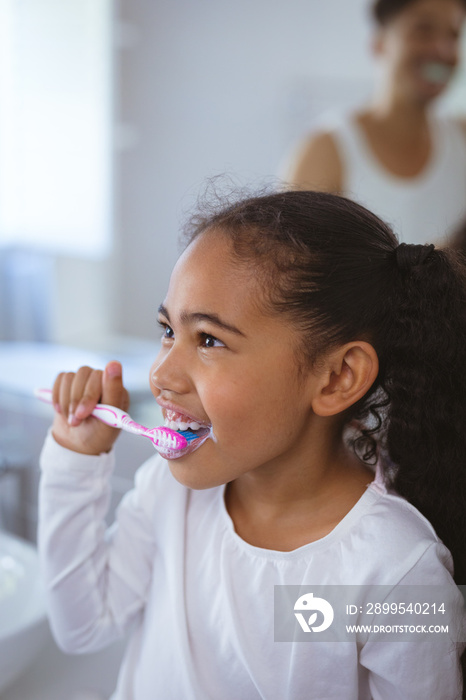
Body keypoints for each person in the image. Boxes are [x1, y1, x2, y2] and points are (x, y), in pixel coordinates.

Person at [38, 190, 466, 699]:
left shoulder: (400, 573)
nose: (161, 375)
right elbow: (83, 626)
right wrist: (76, 460)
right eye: (168, 330)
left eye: (209, 340)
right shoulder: (170, 492)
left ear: (336, 377)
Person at [283, 0, 466, 245]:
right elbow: (294, 272)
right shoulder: (324, 153)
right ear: (379, 44)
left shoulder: (462, 138)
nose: (443, 51)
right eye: (424, 30)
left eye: (453, 36)